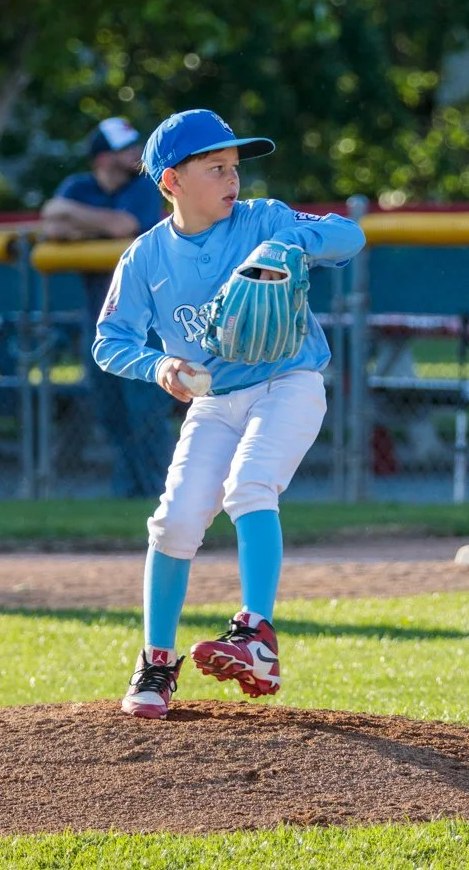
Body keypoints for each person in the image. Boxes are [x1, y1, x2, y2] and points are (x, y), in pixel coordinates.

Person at [94, 108, 365, 720]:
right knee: (174, 523)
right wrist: (160, 366)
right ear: (171, 181)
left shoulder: (263, 219)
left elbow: (350, 237)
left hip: (287, 383)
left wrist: (292, 241)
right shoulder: (145, 257)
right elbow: (110, 341)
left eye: (234, 166)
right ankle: (156, 662)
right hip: (214, 402)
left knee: (250, 486)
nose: (232, 178)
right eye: (215, 168)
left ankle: (256, 636)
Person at [41, 117, 174, 498]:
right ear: (102, 158)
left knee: (145, 408)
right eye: (125, 149)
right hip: (99, 316)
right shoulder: (78, 186)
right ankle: (128, 490)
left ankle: (156, 490)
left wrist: (78, 222)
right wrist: (101, 224)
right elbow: (51, 225)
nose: (136, 153)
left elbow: (123, 224)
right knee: (109, 409)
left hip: (147, 318)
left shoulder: (144, 186)